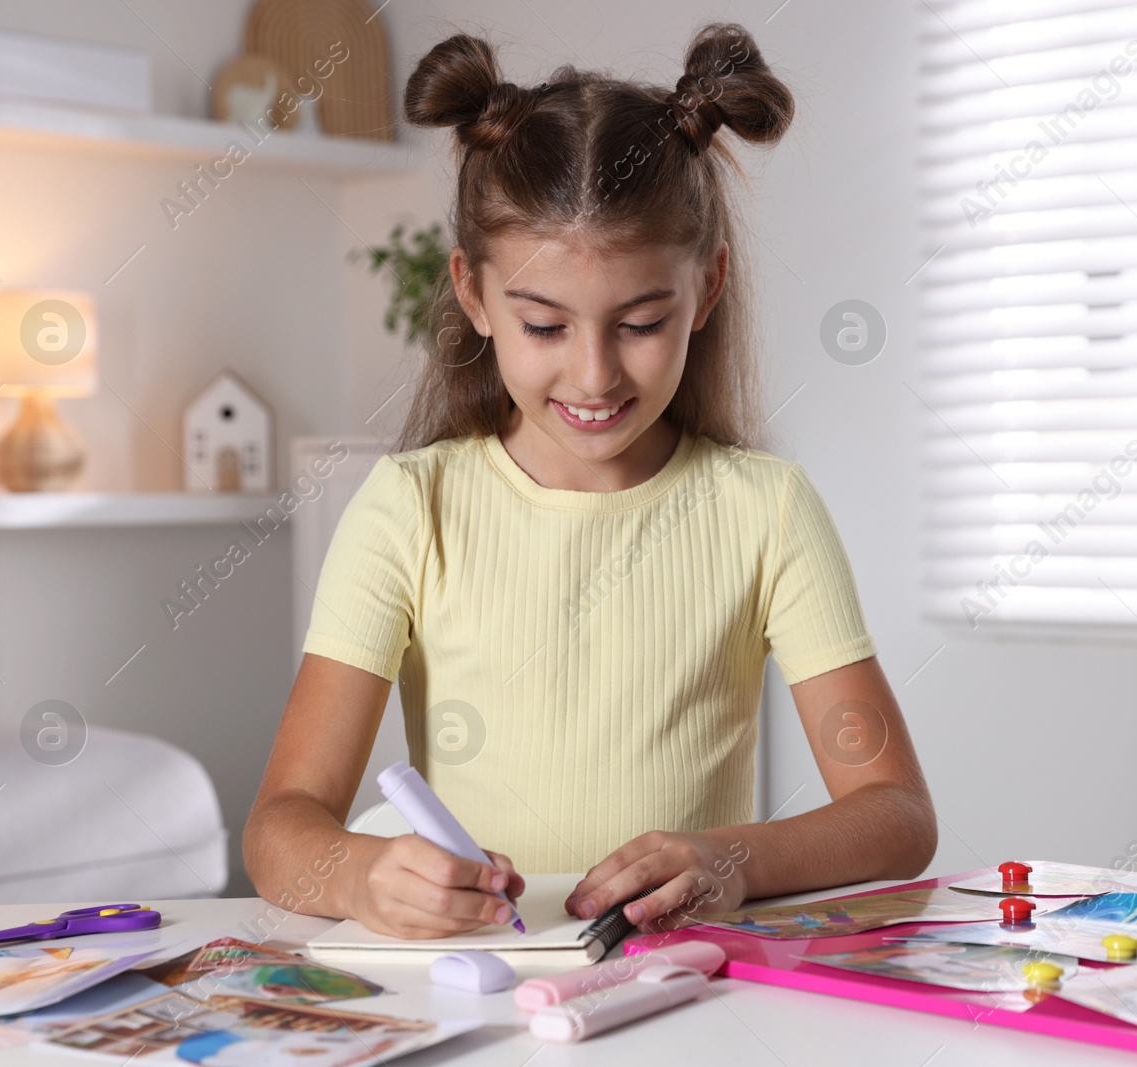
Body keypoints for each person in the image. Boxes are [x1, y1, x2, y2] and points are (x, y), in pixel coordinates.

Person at [244, 22, 936, 939]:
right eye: (545, 326)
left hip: (682, 993)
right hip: (486, 987)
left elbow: (895, 812)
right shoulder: (412, 508)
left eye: (642, 322)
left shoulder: (765, 510)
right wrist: (365, 876)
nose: (595, 375)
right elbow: (280, 828)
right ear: (474, 294)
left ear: (708, 288)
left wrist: (731, 856)